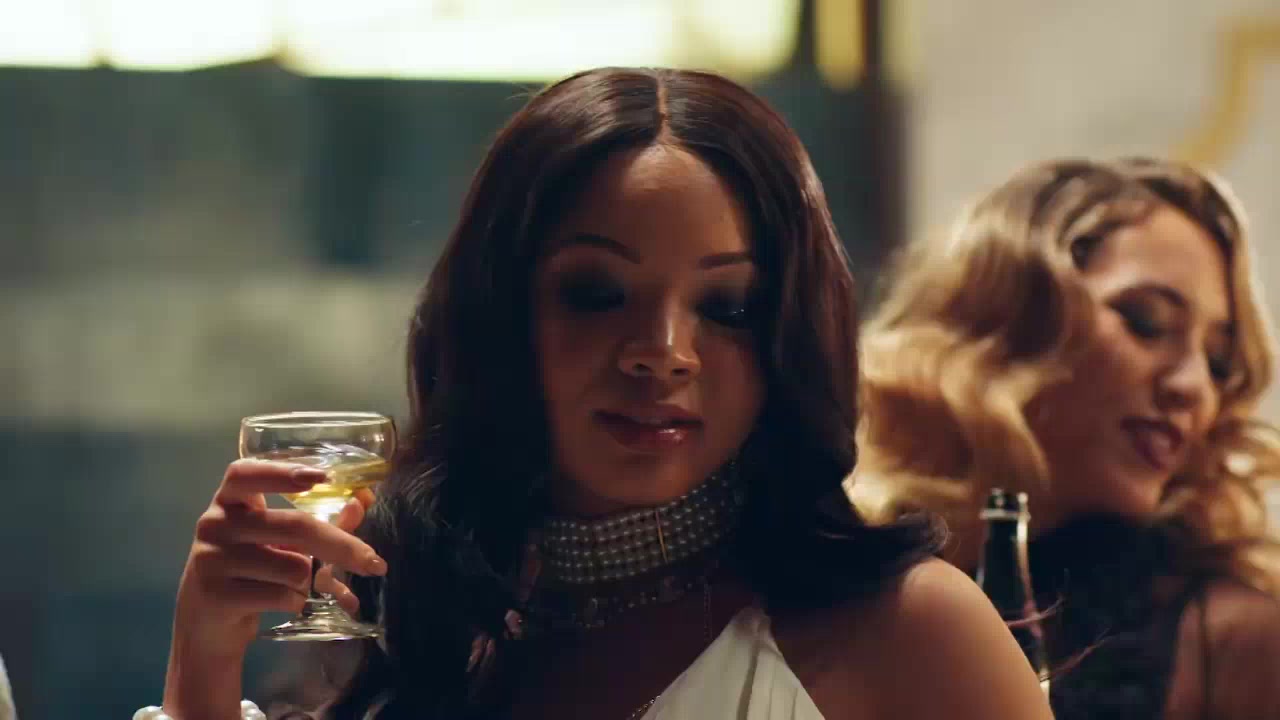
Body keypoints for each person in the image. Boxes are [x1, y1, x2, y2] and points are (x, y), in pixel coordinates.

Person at [147, 67, 1053, 720]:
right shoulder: (436, 636)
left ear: (786, 338)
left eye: (728, 307)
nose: (663, 354)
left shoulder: (910, 631)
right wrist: (204, 659)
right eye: (596, 293)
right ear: (501, 316)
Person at [850, 156, 1280, 719]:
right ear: (1005, 321)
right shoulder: (842, 585)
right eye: (1147, 321)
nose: (1194, 387)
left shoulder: (1235, 642)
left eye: (1218, 361)